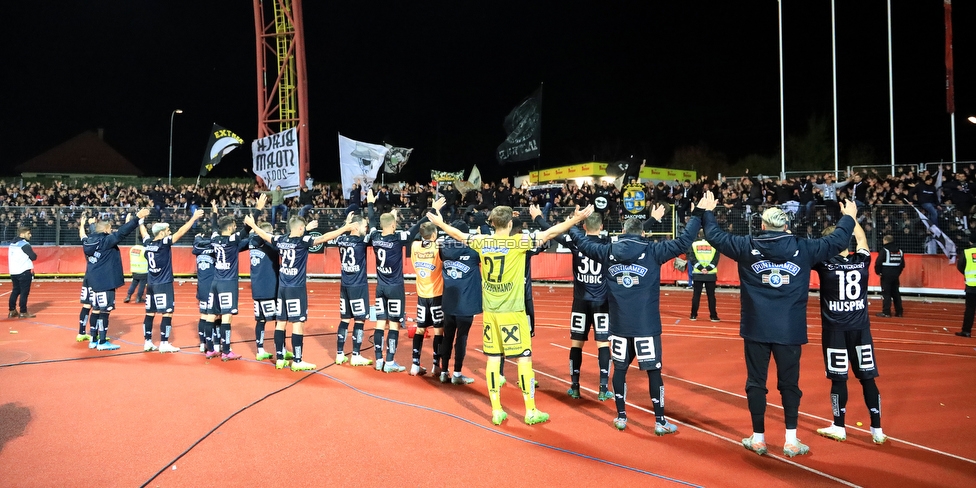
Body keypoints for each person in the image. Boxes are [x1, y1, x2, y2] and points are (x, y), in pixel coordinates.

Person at [697, 192, 858, 458]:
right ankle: (791, 440)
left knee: (756, 382)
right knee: (790, 384)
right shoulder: (803, 247)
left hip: (756, 327)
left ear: (762, 225)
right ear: (786, 226)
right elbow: (837, 240)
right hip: (790, 329)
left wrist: (708, 211)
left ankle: (758, 437)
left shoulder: (746, 245)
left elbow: (714, 236)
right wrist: (849, 216)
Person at [426, 204, 595, 426]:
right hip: (513, 311)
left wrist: (439, 223)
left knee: (494, 359)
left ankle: (496, 410)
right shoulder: (519, 242)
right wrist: (575, 219)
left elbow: (458, 234)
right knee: (524, 357)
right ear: (510, 224)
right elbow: (551, 232)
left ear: (492, 223)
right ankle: (530, 410)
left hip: (492, 312)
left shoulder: (482, 242)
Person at [569, 204, 700, 434]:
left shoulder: (608, 250)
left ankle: (621, 417)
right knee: (653, 372)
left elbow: (582, 243)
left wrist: (574, 221)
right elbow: (683, 241)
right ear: (642, 233)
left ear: (622, 230)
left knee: (619, 370)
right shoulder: (652, 250)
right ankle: (659, 421)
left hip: (619, 325)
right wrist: (698, 214)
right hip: (646, 325)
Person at [245, 213, 354, 371]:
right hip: (296, 289)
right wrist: (345, 228)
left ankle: (280, 359)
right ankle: (297, 360)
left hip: (282, 288)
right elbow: (324, 238)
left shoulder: (282, 240)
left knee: (281, 323)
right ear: (301, 228)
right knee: (298, 323)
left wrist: (253, 225)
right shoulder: (303, 241)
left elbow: (264, 234)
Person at [812, 220, 888, 445]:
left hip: (835, 330)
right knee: (868, 378)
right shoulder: (861, 260)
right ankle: (877, 429)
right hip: (861, 330)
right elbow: (863, 240)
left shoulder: (824, 262)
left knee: (838, 379)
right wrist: (851, 218)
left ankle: (839, 425)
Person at [365, 190, 433, 373]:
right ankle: (390, 362)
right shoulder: (397, 238)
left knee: (380, 323)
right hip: (395, 288)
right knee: (394, 324)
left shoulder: (375, 236)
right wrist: (432, 211)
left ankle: (378, 360)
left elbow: (372, 222)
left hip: (380, 287)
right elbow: (417, 227)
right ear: (394, 225)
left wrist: (370, 204)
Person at [553, 212, 613, 401]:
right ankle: (603, 388)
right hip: (602, 302)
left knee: (576, 343)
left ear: (584, 227)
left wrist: (539, 216)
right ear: (601, 226)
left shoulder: (576, 243)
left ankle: (575, 386)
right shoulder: (607, 246)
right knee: (603, 343)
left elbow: (554, 232)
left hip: (580, 302)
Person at [83, 207, 152, 350]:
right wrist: (137, 218)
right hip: (106, 281)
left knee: (95, 309)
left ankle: (93, 339)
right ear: (107, 229)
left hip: (93, 281)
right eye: (110, 229)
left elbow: (96, 231)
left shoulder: (89, 240)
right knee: (105, 311)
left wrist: (90, 224)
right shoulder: (106, 241)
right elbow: (122, 233)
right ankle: (102, 342)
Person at [138, 209, 204, 353]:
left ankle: (147, 341)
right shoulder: (163, 243)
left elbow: (143, 233)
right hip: (163, 283)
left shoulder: (148, 243)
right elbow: (180, 232)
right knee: (167, 313)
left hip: (151, 283)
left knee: (150, 313)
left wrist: (140, 220)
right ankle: (164, 342)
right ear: (161, 233)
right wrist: (193, 219)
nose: (169, 232)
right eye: (167, 230)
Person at [204, 200, 253, 361]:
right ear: (231, 227)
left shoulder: (215, 238)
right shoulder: (233, 240)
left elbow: (213, 227)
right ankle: (226, 351)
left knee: (211, 315)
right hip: (228, 282)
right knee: (227, 316)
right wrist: (257, 210)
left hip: (215, 282)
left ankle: (210, 349)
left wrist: (214, 212)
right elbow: (247, 229)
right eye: (233, 225)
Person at [437, 219, 481, 385]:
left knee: (447, 337)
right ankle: (457, 373)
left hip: (448, 302)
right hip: (466, 302)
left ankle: (443, 372)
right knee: (461, 339)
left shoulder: (444, 249)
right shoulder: (472, 250)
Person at [334, 212, 373, 366]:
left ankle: (339, 353)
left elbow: (338, 235)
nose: (366, 228)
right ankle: (355, 354)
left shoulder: (341, 239)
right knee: (359, 320)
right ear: (356, 227)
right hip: (358, 285)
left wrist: (345, 224)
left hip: (345, 285)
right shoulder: (362, 240)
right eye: (364, 225)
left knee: (344, 319)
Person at [408, 221, 445, 376]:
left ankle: (415, 364)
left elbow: (417, 235)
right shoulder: (438, 248)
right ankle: (436, 365)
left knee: (420, 329)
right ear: (435, 235)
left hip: (422, 295)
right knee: (438, 331)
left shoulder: (415, 246)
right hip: (436, 294)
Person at [688, 230, 721, 322]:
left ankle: (693, 315)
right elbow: (716, 259)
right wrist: (708, 269)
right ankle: (713, 316)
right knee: (711, 296)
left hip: (698, 274)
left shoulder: (694, 244)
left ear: (699, 234)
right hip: (710, 275)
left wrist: (700, 268)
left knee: (696, 295)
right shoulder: (714, 244)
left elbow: (691, 258)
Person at [7, 227, 37, 318]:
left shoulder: (12, 244)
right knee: (24, 292)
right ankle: (23, 311)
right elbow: (33, 257)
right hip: (23, 271)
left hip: (13, 271)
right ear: (22, 234)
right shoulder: (24, 244)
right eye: (28, 233)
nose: (30, 235)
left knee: (15, 290)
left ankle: (12, 310)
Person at [874, 235, 904, 318]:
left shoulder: (884, 250)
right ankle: (899, 312)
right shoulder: (900, 251)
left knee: (886, 294)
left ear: (886, 240)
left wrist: (878, 272)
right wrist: (897, 273)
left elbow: (878, 263)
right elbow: (902, 265)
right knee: (896, 294)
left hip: (886, 276)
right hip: (895, 276)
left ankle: (886, 312)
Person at [955, 233, 976, 338]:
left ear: (970, 242)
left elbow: (960, 266)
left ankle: (966, 331)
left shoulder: (967, 252)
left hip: (971, 286)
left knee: (970, 310)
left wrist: (967, 273)